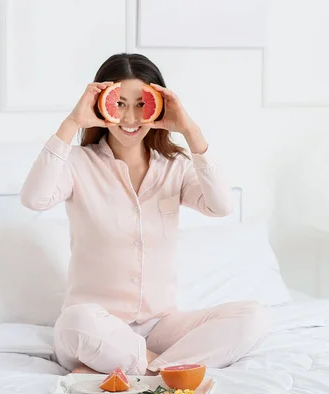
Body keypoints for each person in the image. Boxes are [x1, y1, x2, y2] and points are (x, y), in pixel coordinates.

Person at [20, 53, 269, 376]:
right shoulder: (78, 163)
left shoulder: (175, 167)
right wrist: (71, 123)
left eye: (141, 104)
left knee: (253, 317)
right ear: (100, 105)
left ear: (160, 105)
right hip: (97, 326)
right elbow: (34, 198)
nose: (130, 117)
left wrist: (190, 130)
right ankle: (167, 371)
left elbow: (220, 205)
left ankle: (142, 369)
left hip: (161, 327)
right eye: (120, 103)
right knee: (74, 323)